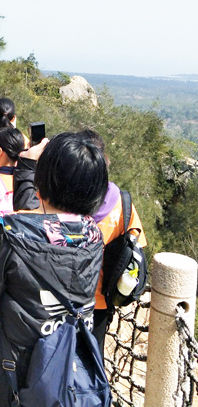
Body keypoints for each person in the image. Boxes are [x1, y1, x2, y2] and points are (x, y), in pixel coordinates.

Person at [0, 132, 108, 407]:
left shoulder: (10, 235)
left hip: (10, 372)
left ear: (44, 181)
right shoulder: (92, 236)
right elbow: (45, 224)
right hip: (65, 366)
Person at [78, 130, 147, 356]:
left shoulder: (66, 197)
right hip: (99, 302)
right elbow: (135, 245)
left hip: (62, 297)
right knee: (91, 362)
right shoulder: (122, 203)